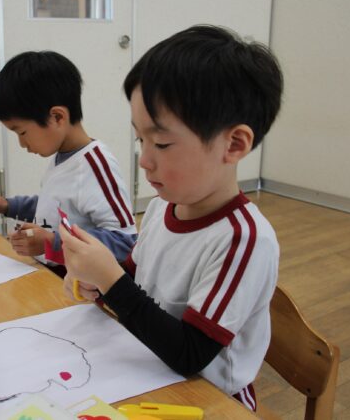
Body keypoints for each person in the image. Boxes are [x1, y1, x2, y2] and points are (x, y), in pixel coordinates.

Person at [59, 25, 283, 412]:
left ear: (234, 144)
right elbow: (136, 281)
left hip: (210, 400)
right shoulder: (163, 206)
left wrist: (112, 282)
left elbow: (191, 355)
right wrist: (98, 280)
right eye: (140, 140)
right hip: (149, 368)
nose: (144, 160)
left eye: (161, 143)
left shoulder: (243, 240)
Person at [0, 51, 137, 274]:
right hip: (53, 274)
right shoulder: (63, 156)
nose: (22, 144)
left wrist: (53, 242)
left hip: (82, 285)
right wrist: (6, 205)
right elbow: (54, 207)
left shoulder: (95, 165)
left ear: (57, 117)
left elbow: (124, 242)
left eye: (22, 132)